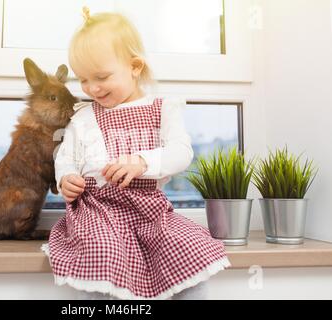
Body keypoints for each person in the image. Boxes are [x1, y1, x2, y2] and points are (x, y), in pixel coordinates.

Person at [41, 7, 231, 300]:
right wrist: (66, 177)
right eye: (83, 79)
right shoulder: (83, 117)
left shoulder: (163, 108)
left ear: (135, 66)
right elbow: (65, 156)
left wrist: (144, 161)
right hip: (98, 212)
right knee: (101, 251)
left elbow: (181, 152)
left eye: (101, 76)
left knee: (186, 246)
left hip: (149, 210)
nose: (91, 88)